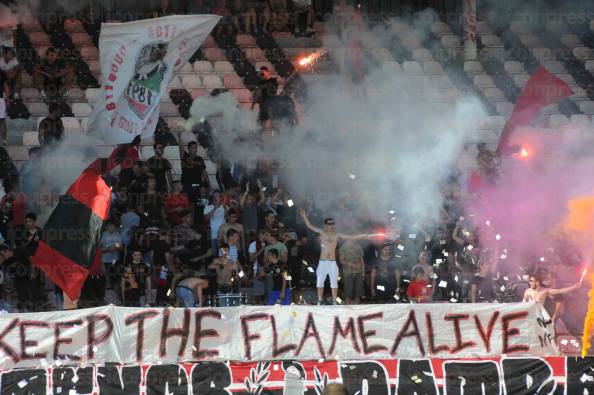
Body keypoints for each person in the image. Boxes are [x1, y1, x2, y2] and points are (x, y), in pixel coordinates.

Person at [300, 208, 373, 305]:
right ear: (325, 225)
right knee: (320, 282)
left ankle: (334, 301)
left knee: (334, 283)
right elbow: (310, 226)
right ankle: (320, 300)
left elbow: (351, 237)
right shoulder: (322, 233)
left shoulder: (337, 235)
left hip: (332, 262)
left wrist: (365, 235)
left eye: (332, 224)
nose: (331, 226)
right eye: (329, 224)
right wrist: (304, 216)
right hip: (323, 262)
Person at [176, 131, 210, 200]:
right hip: (186, 186)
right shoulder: (184, 157)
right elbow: (181, 148)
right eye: (192, 148)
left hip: (198, 186)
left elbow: (204, 173)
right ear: (188, 149)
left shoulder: (200, 159)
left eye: (195, 148)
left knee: (198, 205)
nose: (194, 149)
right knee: (187, 205)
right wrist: (179, 137)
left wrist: (208, 185)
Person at [339, 240, 365, 304]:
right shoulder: (344, 247)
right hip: (348, 272)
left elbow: (362, 261)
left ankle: (356, 308)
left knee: (358, 292)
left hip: (358, 271)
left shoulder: (358, 246)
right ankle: (348, 307)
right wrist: (349, 264)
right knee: (348, 292)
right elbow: (341, 260)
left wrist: (363, 272)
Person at [0, 69, 9, 144]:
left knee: (2, 120)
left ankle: (4, 139)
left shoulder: (2, 73)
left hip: (0, 99)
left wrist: (8, 100)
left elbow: (5, 86)